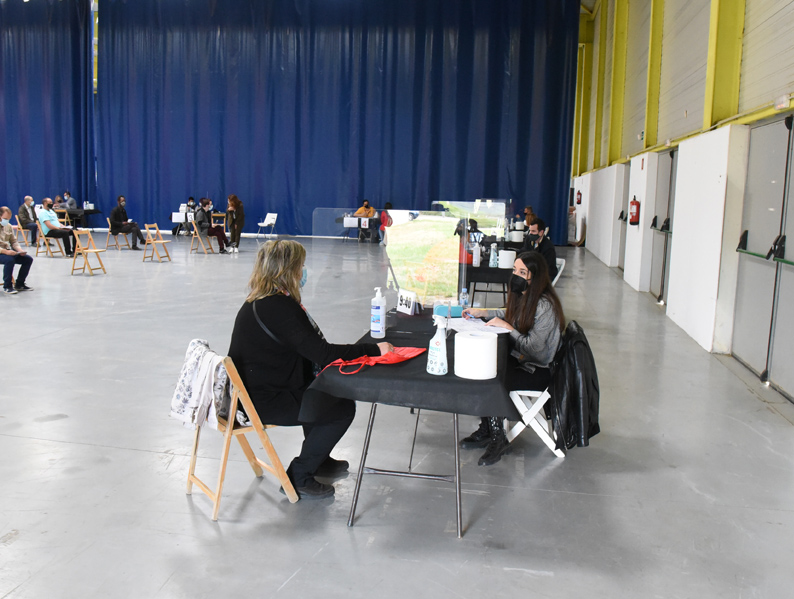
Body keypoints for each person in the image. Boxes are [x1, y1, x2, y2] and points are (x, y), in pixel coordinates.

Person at [228, 240, 393, 499]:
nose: (305, 271)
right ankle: (299, 474)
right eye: (302, 266)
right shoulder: (278, 307)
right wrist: (373, 349)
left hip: (260, 390)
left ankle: (319, 459)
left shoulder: (263, 301)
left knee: (319, 392)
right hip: (261, 401)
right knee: (340, 407)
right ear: (288, 271)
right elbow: (323, 353)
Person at [461, 252, 565, 465]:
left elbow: (534, 350)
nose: (515, 275)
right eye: (515, 270)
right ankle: (489, 428)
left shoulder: (544, 306)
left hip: (539, 370)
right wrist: (485, 313)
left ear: (534, 277)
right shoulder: (527, 296)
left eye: (522, 272)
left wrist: (508, 329)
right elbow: (513, 315)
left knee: (491, 378)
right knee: (486, 366)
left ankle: (498, 437)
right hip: (526, 362)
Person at [0, 206, 34, 294]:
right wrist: (7, 252)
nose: (7, 220)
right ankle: (7, 286)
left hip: (7, 251)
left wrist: (20, 250)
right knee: (9, 260)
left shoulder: (8, 226)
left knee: (28, 259)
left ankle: (20, 284)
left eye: (8, 219)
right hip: (2, 252)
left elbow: (13, 241)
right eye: (5, 218)